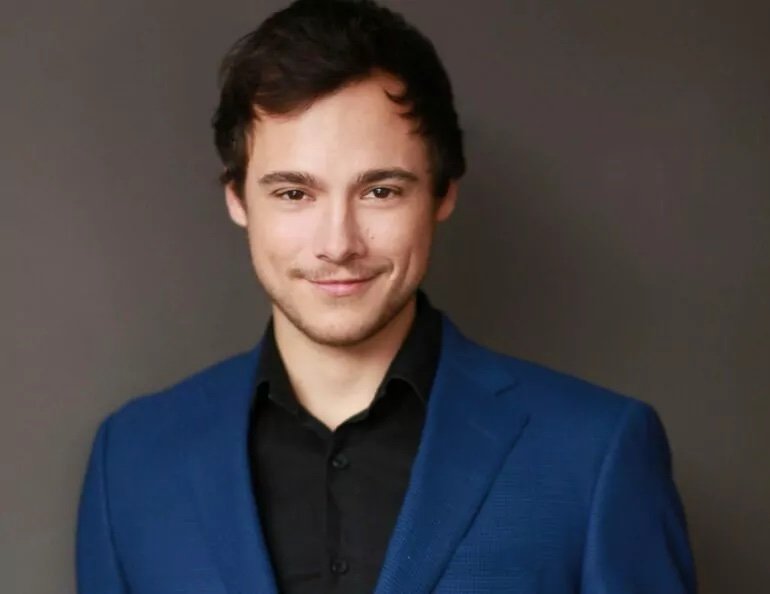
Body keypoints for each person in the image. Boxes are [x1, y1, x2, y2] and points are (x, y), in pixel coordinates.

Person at [75, 0, 697, 592]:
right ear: (238, 199)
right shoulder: (130, 461)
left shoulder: (594, 453)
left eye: (380, 191)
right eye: (294, 194)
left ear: (442, 194)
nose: (338, 244)